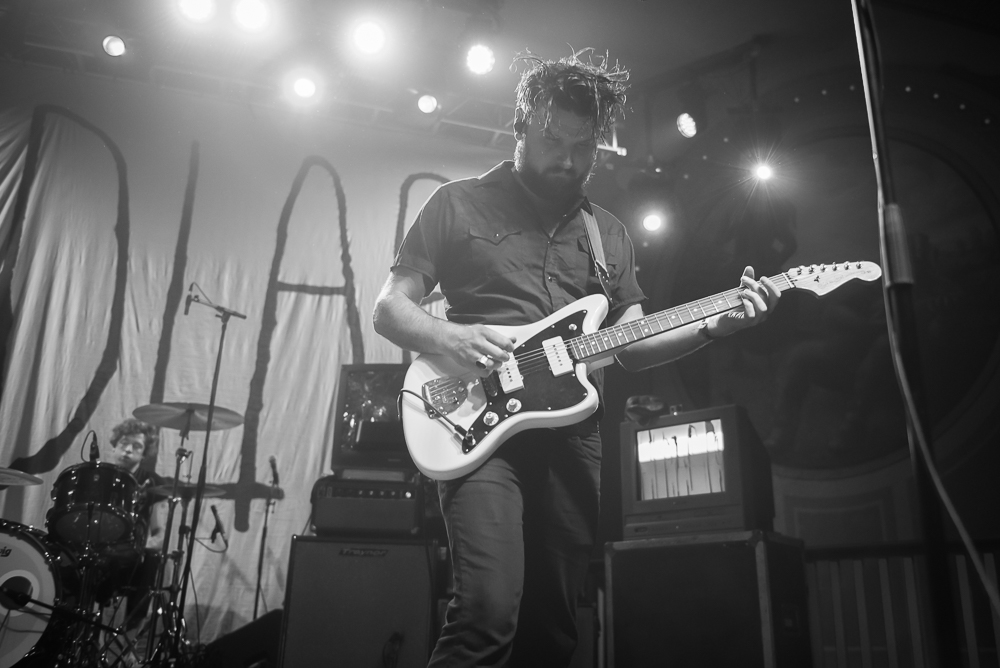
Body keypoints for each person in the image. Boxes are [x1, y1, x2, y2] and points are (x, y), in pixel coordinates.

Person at [372, 52, 781, 667]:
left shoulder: (608, 234)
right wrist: (447, 337)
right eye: (552, 140)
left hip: (574, 440)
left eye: (583, 146)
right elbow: (389, 310)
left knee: (556, 630)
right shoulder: (457, 204)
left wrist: (712, 329)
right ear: (520, 129)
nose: (567, 159)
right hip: (479, 428)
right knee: (485, 614)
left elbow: (632, 347)